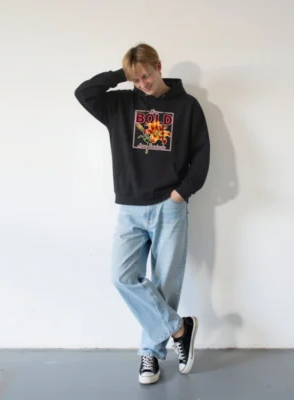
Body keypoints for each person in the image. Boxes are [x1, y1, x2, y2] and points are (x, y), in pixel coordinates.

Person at [74, 43, 210, 384]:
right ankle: (180, 329)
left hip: (170, 205)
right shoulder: (120, 104)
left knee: (165, 285)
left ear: (159, 66)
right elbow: (84, 92)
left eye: (146, 75)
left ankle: (150, 354)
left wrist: (183, 191)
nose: (143, 84)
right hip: (131, 207)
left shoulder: (187, 106)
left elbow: (201, 153)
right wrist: (122, 74)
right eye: (136, 79)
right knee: (122, 277)